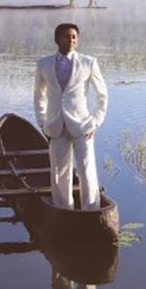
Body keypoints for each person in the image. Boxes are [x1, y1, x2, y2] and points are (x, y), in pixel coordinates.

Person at [33, 23, 108, 210]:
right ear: (56, 39)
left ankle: (91, 210)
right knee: (59, 173)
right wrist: (43, 124)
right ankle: (63, 210)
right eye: (66, 36)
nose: (71, 40)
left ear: (78, 39)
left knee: (86, 171)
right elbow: (38, 97)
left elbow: (102, 95)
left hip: (82, 126)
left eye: (74, 37)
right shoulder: (44, 64)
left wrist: (95, 122)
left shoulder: (88, 62)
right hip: (55, 126)